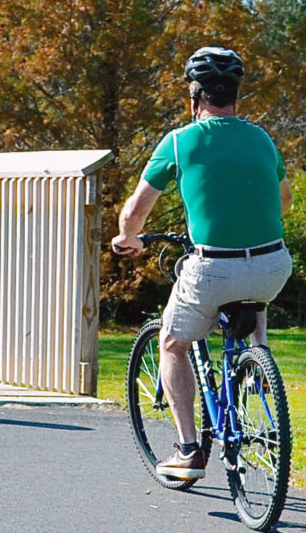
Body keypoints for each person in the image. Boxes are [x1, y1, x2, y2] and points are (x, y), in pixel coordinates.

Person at [111, 46, 293, 483]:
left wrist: (127, 238)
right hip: (273, 264)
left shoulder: (179, 140)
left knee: (173, 342)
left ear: (194, 96)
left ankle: (189, 451)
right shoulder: (261, 137)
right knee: (252, 296)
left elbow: (135, 212)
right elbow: (284, 200)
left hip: (213, 268)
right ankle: (257, 368)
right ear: (235, 96)